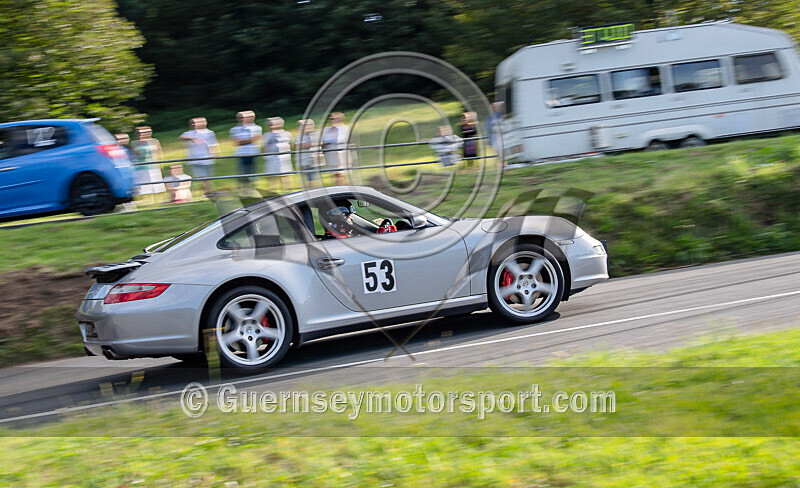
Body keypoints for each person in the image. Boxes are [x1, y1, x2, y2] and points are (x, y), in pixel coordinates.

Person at [179, 117, 219, 196]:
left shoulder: (209, 133)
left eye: (195, 123)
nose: (193, 124)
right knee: (202, 176)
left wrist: (214, 153)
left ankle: (207, 191)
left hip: (207, 158)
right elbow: (181, 137)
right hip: (195, 158)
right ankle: (208, 192)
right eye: (191, 123)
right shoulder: (189, 133)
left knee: (207, 176)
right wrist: (192, 138)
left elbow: (213, 144)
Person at [130, 126, 166, 202]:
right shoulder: (134, 143)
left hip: (153, 165)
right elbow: (133, 155)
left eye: (142, 133)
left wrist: (160, 164)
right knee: (144, 184)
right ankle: (147, 200)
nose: (140, 134)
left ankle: (160, 200)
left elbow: (159, 153)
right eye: (138, 133)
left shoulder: (154, 141)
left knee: (156, 183)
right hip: (140, 166)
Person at [229, 110, 262, 187]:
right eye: (239, 118)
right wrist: (249, 140)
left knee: (252, 172)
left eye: (243, 117)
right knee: (242, 172)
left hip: (252, 152)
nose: (241, 119)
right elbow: (236, 143)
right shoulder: (234, 129)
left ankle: (252, 187)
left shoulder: (257, 128)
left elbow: (255, 139)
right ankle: (243, 187)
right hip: (241, 153)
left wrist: (242, 141)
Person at [263, 117, 293, 193]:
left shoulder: (286, 133)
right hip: (271, 158)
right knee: (271, 175)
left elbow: (290, 144)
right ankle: (271, 191)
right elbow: (264, 147)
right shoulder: (266, 135)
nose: (272, 126)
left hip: (284, 157)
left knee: (285, 174)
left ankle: (287, 190)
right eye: (271, 125)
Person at [321, 112, 350, 186]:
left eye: (335, 118)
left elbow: (341, 139)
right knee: (334, 173)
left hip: (341, 152)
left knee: (340, 173)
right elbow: (323, 140)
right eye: (331, 119)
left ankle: (342, 187)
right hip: (331, 152)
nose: (333, 120)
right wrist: (331, 140)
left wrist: (330, 140)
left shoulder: (345, 128)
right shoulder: (327, 129)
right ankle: (339, 187)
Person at [295, 119, 321, 187]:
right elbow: (297, 146)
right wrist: (309, 144)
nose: (301, 127)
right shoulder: (299, 136)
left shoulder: (315, 134)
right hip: (304, 159)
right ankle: (310, 188)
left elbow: (320, 143)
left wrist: (306, 145)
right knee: (307, 175)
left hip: (313, 158)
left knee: (312, 175)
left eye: (303, 125)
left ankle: (312, 188)